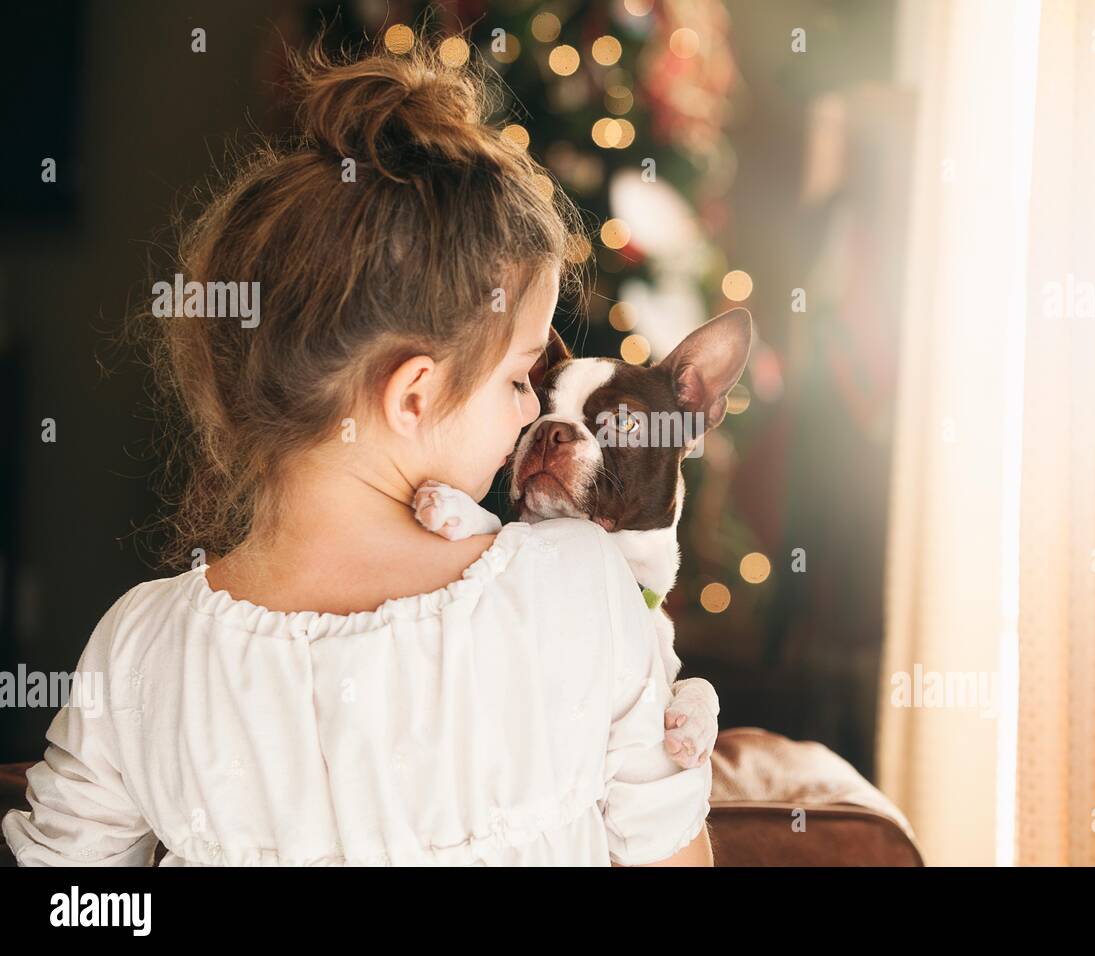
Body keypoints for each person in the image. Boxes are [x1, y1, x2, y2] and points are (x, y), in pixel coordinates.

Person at [1, 33, 713, 867]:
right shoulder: (572, 582)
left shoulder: (138, 646)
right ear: (414, 394)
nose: (529, 413)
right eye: (522, 379)